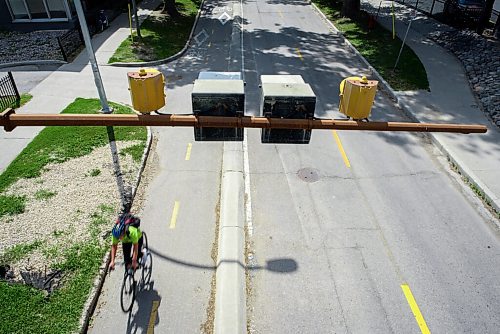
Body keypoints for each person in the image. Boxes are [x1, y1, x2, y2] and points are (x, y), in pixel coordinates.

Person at [110, 208, 143, 272]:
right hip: (126, 241)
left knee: (137, 255)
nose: (119, 239)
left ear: (124, 231)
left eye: (120, 236)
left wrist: (134, 260)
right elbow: (114, 246)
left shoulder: (131, 231)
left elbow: (135, 246)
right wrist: (112, 261)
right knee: (127, 261)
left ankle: (142, 254)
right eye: (118, 237)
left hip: (137, 238)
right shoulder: (115, 234)